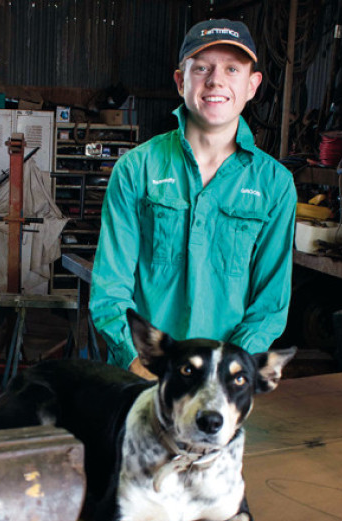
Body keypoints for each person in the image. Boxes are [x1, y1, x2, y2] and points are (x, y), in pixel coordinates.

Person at [89, 18, 298, 379]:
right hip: (141, 375)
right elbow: (110, 287)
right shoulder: (136, 169)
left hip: (222, 384)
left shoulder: (275, 184)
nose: (216, 81)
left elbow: (269, 304)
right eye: (202, 68)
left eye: (232, 69)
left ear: (252, 85)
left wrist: (227, 372)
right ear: (180, 80)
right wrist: (137, 359)